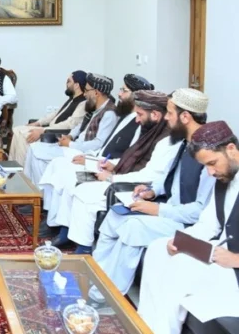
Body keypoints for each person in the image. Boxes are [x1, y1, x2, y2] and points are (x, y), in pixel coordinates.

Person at [89, 88, 215, 301]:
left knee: (133, 227)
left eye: (170, 113)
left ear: (185, 117)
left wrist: (157, 209)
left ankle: (108, 296)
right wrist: (152, 190)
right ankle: (95, 277)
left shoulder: (209, 155)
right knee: (114, 216)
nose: (166, 118)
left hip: (187, 223)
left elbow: (199, 211)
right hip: (170, 210)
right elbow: (171, 178)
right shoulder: (184, 142)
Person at [138, 121, 239, 334]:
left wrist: (236, 259)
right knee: (157, 249)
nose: (210, 172)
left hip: (235, 268)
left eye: (212, 163)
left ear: (231, 149)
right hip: (220, 254)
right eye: (206, 166)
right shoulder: (225, 177)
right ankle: (144, 327)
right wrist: (179, 240)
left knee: (180, 267)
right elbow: (208, 225)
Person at [38, 74, 153, 241]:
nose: (119, 94)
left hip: (108, 168)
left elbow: (127, 157)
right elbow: (104, 146)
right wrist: (89, 157)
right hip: (99, 160)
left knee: (69, 177)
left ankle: (62, 230)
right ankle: (51, 217)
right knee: (59, 165)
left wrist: (92, 161)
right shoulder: (125, 116)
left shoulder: (138, 123)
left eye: (124, 90)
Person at [66, 90, 180, 252]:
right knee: (76, 181)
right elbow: (131, 157)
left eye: (140, 114)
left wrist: (111, 178)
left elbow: (151, 175)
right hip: (124, 176)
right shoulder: (149, 130)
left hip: (136, 186)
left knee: (84, 193)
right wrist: (112, 165)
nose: (137, 120)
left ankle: (83, 248)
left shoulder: (167, 140)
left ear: (155, 115)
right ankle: (69, 235)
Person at [23, 73, 118, 187]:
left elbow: (98, 143)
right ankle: (31, 189)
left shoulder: (109, 114)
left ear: (96, 93)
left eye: (86, 90)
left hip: (83, 153)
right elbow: (80, 126)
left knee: (37, 152)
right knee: (35, 150)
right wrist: (70, 136)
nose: (84, 94)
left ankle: (36, 190)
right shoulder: (94, 107)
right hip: (75, 146)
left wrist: (70, 144)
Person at [9, 71, 87, 165]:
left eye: (69, 81)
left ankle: (20, 170)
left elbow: (69, 125)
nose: (66, 84)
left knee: (23, 136)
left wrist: (43, 130)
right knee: (17, 130)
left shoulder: (83, 103)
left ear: (77, 85)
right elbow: (55, 114)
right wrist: (38, 123)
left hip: (55, 134)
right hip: (48, 129)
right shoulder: (72, 99)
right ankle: (12, 166)